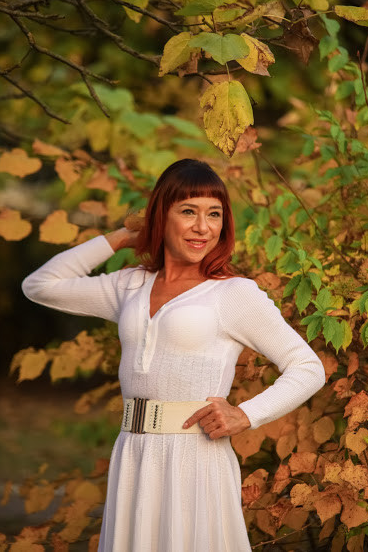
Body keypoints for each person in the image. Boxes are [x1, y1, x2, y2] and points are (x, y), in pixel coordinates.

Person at [22, 158, 326, 552]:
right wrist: (122, 237)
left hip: (194, 457)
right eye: (188, 211)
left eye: (214, 214)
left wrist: (246, 414)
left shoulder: (233, 293)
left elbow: (307, 367)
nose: (203, 227)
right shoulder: (131, 285)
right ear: (160, 216)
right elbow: (40, 285)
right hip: (133, 453)